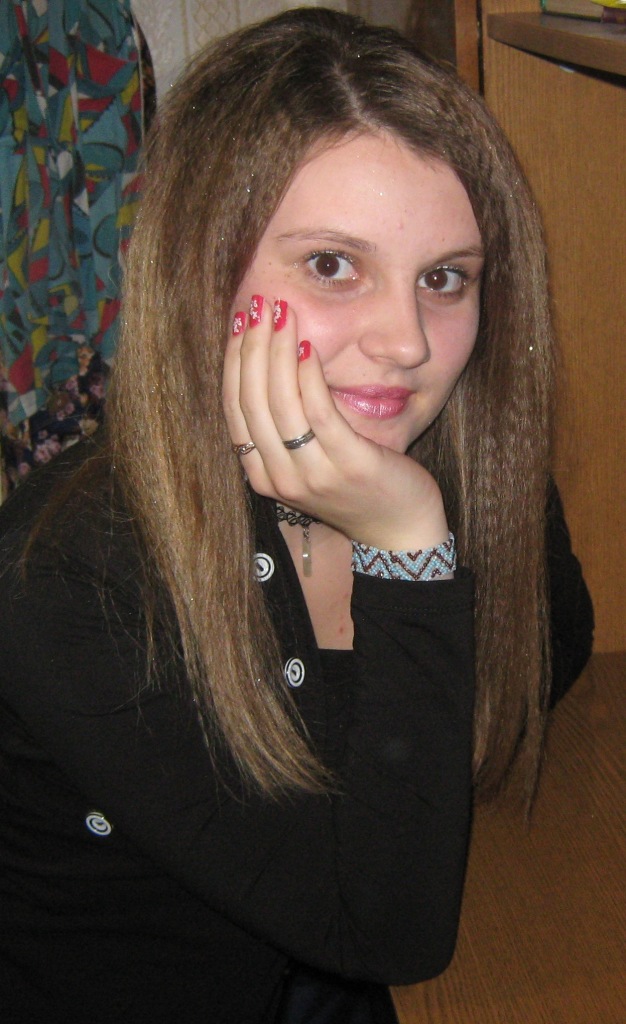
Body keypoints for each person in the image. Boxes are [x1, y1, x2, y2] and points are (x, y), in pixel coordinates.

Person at [0, 7, 593, 1023]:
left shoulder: (450, 463)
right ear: (200, 271)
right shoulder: (71, 575)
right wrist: (406, 553)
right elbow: (387, 929)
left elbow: (547, 653)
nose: (406, 342)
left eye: (443, 278)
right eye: (331, 265)